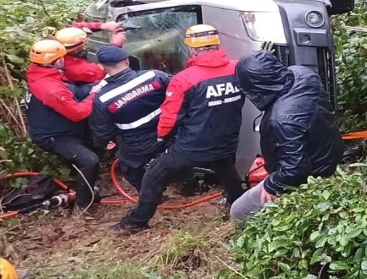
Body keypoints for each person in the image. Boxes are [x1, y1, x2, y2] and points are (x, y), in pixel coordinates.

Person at [112, 24, 245, 233]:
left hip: (192, 146)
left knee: (153, 177)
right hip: (226, 141)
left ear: (192, 49)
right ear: (216, 45)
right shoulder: (239, 69)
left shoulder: (184, 79)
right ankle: (237, 205)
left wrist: (161, 138)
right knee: (227, 172)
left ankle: (135, 222)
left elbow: (170, 117)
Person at [229, 50, 343, 225]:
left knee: (239, 211)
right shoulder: (303, 73)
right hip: (328, 155)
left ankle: (267, 239)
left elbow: (296, 169)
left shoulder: (280, 120)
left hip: (313, 175)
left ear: (255, 88)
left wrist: (272, 185)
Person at [25, 40, 103, 211]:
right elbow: (78, 113)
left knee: (93, 148)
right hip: (54, 136)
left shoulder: (40, 74)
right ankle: (84, 206)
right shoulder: (51, 88)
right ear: (56, 61)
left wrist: (93, 87)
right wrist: (95, 94)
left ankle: (88, 187)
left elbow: (72, 90)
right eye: (62, 57)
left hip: (58, 127)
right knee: (89, 161)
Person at [88, 46, 172, 191]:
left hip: (137, 146)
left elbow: (102, 132)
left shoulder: (102, 99)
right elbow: (180, 89)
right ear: (127, 61)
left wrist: (103, 143)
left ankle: (153, 196)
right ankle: (190, 185)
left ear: (101, 67)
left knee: (130, 169)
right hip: (170, 134)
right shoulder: (154, 76)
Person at [54, 21, 125, 85]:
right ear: (75, 50)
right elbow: (107, 68)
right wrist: (116, 45)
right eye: (83, 45)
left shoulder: (55, 46)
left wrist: (103, 26)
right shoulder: (77, 69)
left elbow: (77, 26)